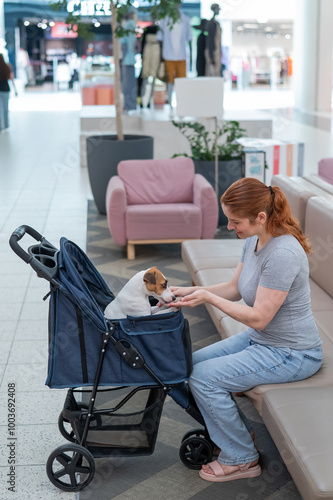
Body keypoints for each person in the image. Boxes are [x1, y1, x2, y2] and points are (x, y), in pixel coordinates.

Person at [169, 178, 323, 483]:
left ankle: (242, 459)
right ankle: (238, 436)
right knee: (191, 365)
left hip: (293, 353)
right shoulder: (255, 240)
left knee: (202, 378)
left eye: (234, 220)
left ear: (261, 217)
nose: (229, 226)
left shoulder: (282, 254)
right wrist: (190, 292)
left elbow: (259, 318)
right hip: (263, 341)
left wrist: (207, 298)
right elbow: (232, 288)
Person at [156, 4, 192, 115]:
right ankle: (170, 104)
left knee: (181, 82)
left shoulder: (185, 19)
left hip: (181, 56)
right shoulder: (164, 19)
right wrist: (160, 56)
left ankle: (182, 104)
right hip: (168, 55)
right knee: (170, 81)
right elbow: (159, 38)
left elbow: (189, 38)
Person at [0, 53, 17, 132]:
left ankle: (1, 126)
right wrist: (15, 89)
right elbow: (11, 78)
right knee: (6, 109)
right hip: (6, 89)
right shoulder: (7, 67)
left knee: (1, 110)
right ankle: (6, 125)